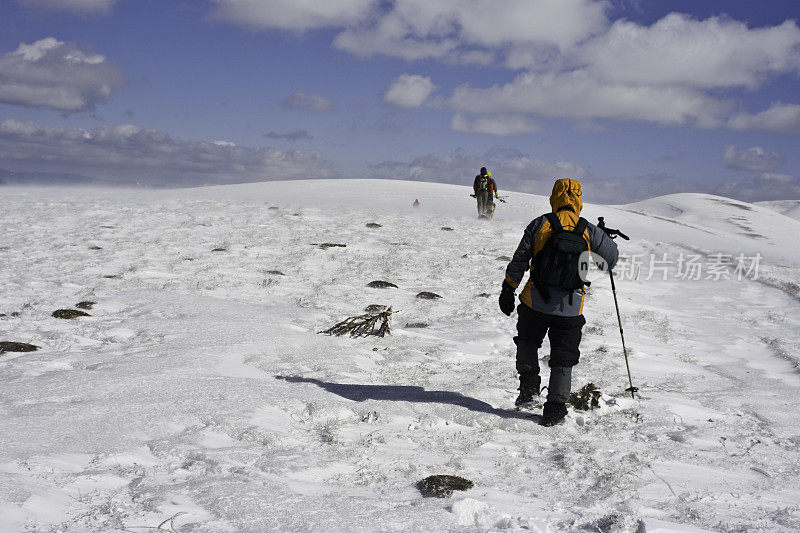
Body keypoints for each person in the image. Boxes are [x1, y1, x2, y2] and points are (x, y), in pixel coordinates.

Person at [498, 178, 619, 426]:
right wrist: (602, 241)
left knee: (528, 342)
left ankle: (529, 389)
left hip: (535, 302)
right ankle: (555, 408)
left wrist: (508, 289)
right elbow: (611, 259)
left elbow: (520, 260)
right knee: (563, 356)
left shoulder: (540, 224)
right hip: (571, 307)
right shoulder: (588, 229)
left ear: (554, 196)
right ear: (579, 200)